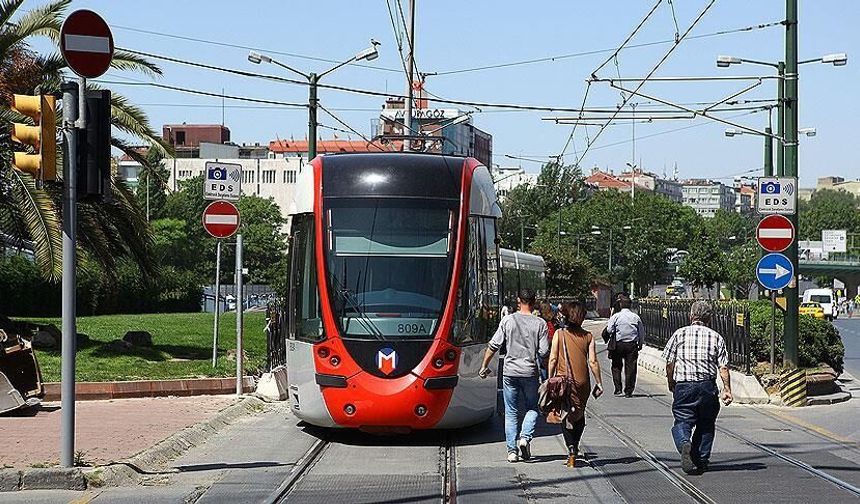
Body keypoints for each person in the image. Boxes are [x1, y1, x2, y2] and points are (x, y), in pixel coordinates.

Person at [662, 301, 733, 475]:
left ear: (690, 316)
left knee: (682, 421)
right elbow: (723, 367)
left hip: (684, 386)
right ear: (709, 319)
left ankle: (684, 442)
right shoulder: (716, 337)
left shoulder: (679, 334)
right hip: (707, 387)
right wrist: (727, 389)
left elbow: (669, 363)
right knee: (706, 424)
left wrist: (671, 382)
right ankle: (701, 460)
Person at [479, 288, 549, 463]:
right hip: (529, 372)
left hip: (509, 372)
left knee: (511, 412)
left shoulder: (508, 320)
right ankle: (525, 438)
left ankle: (512, 451)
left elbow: (493, 345)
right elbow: (543, 351)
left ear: (519, 300)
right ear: (534, 301)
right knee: (532, 408)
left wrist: (484, 365)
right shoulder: (540, 324)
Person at [546, 302, 603, 467]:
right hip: (582, 382)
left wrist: (550, 379)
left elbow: (553, 358)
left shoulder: (559, 334)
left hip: (564, 381)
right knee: (579, 412)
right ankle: (576, 443)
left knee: (565, 413)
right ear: (582, 318)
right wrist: (599, 382)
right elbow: (593, 361)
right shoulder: (588, 337)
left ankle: (571, 448)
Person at [605, 296, 645, 397]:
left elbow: (609, 330)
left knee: (616, 366)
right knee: (631, 368)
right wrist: (640, 344)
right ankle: (628, 391)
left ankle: (618, 388)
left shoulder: (616, 316)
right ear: (630, 305)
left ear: (620, 305)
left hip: (618, 344)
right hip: (631, 345)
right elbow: (641, 332)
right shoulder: (635, 317)